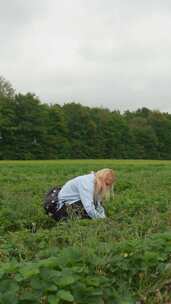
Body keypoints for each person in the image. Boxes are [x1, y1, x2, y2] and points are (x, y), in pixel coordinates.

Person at [44, 168, 116, 221]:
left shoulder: (95, 183)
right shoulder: (87, 183)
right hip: (60, 210)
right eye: (106, 184)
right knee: (87, 212)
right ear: (101, 179)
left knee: (93, 208)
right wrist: (101, 221)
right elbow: (89, 208)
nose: (106, 187)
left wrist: (104, 218)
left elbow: (98, 205)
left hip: (68, 206)